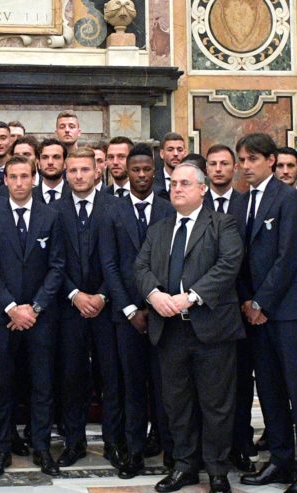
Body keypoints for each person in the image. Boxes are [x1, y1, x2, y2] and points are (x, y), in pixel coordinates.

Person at [135, 163, 244, 493]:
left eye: (185, 183)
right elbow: (140, 267)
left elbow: (228, 265)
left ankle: (217, 469)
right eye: (173, 184)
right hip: (170, 330)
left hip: (212, 329)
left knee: (216, 404)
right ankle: (185, 466)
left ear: (202, 189)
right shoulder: (159, 228)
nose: (177, 189)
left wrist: (191, 297)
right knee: (177, 403)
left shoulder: (222, 223)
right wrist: (155, 296)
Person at [230, 134, 297, 493]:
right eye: (242, 160)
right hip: (254, 314)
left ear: (270, 160)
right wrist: (246, 301)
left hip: (288, 312)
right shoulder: (240, 202)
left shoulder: (290, 198)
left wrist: (260, 304)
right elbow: (236, 258)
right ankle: (281, 461)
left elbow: (289, 256)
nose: (245, 166)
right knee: (268, 391)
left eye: (252, 159)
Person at [0, 155, 65, 477]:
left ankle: (42, 447)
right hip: (3, 318)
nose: (18, 182)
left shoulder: (51, 216)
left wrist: (35, 307)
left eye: (24, 176)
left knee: (42, 384)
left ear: (34, 178)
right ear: (4, 180)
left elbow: (57, 267)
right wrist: (12, 307)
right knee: (1, 385)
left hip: (41, 317)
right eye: (12, 177)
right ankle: (1, 449)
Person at [100, 144, 175, 478]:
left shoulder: (168, 209)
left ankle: (171, 450)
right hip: (126, 316)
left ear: (154, 172)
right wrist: (130, 309)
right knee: (132, 386)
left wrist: (157, 304)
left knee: (166, 386)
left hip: (164, 313)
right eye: (136, 170)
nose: (141, 175)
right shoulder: (112, 211)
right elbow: (109, 264)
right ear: (126, 172)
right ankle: (133, 452)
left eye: (147, 170)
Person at [52, 148, 122, 468]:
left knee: (111, 376)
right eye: (73, 170)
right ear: (66, 174)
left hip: (107, 308)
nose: (78, 176)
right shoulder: (53, 211)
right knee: (71, 377)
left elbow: (123, 257)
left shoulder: (116, 208)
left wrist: (103, 295)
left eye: (84, 169)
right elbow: (52, 262)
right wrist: (75, 294)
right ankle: (74, 441)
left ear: (97, 171)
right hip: (70, 308)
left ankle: (114, 442)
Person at [204, 143, 255, 472]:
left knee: (241, 381)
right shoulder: (196, 203)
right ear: (206, 169)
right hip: (205, 308)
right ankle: (207, 448)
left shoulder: (246, 203)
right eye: (213, 164)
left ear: (234, 167)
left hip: (242, 307)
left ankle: (240, 443)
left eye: (225, 163)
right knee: (209, 386)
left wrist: (247, 298)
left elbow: (249, 259)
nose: (219, 169)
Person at [154, 133, 187, 200]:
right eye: (170, 149)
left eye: (179, 150)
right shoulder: (152, 181)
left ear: (185, 153)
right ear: (162, 154)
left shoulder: (193, 180)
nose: (175, 154)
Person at [32, 139, 66, 203]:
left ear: (65, 163)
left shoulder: (75, 193)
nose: (50, 162)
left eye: (56, 157)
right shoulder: (29, 196)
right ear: (38, 163)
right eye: (45, 157)